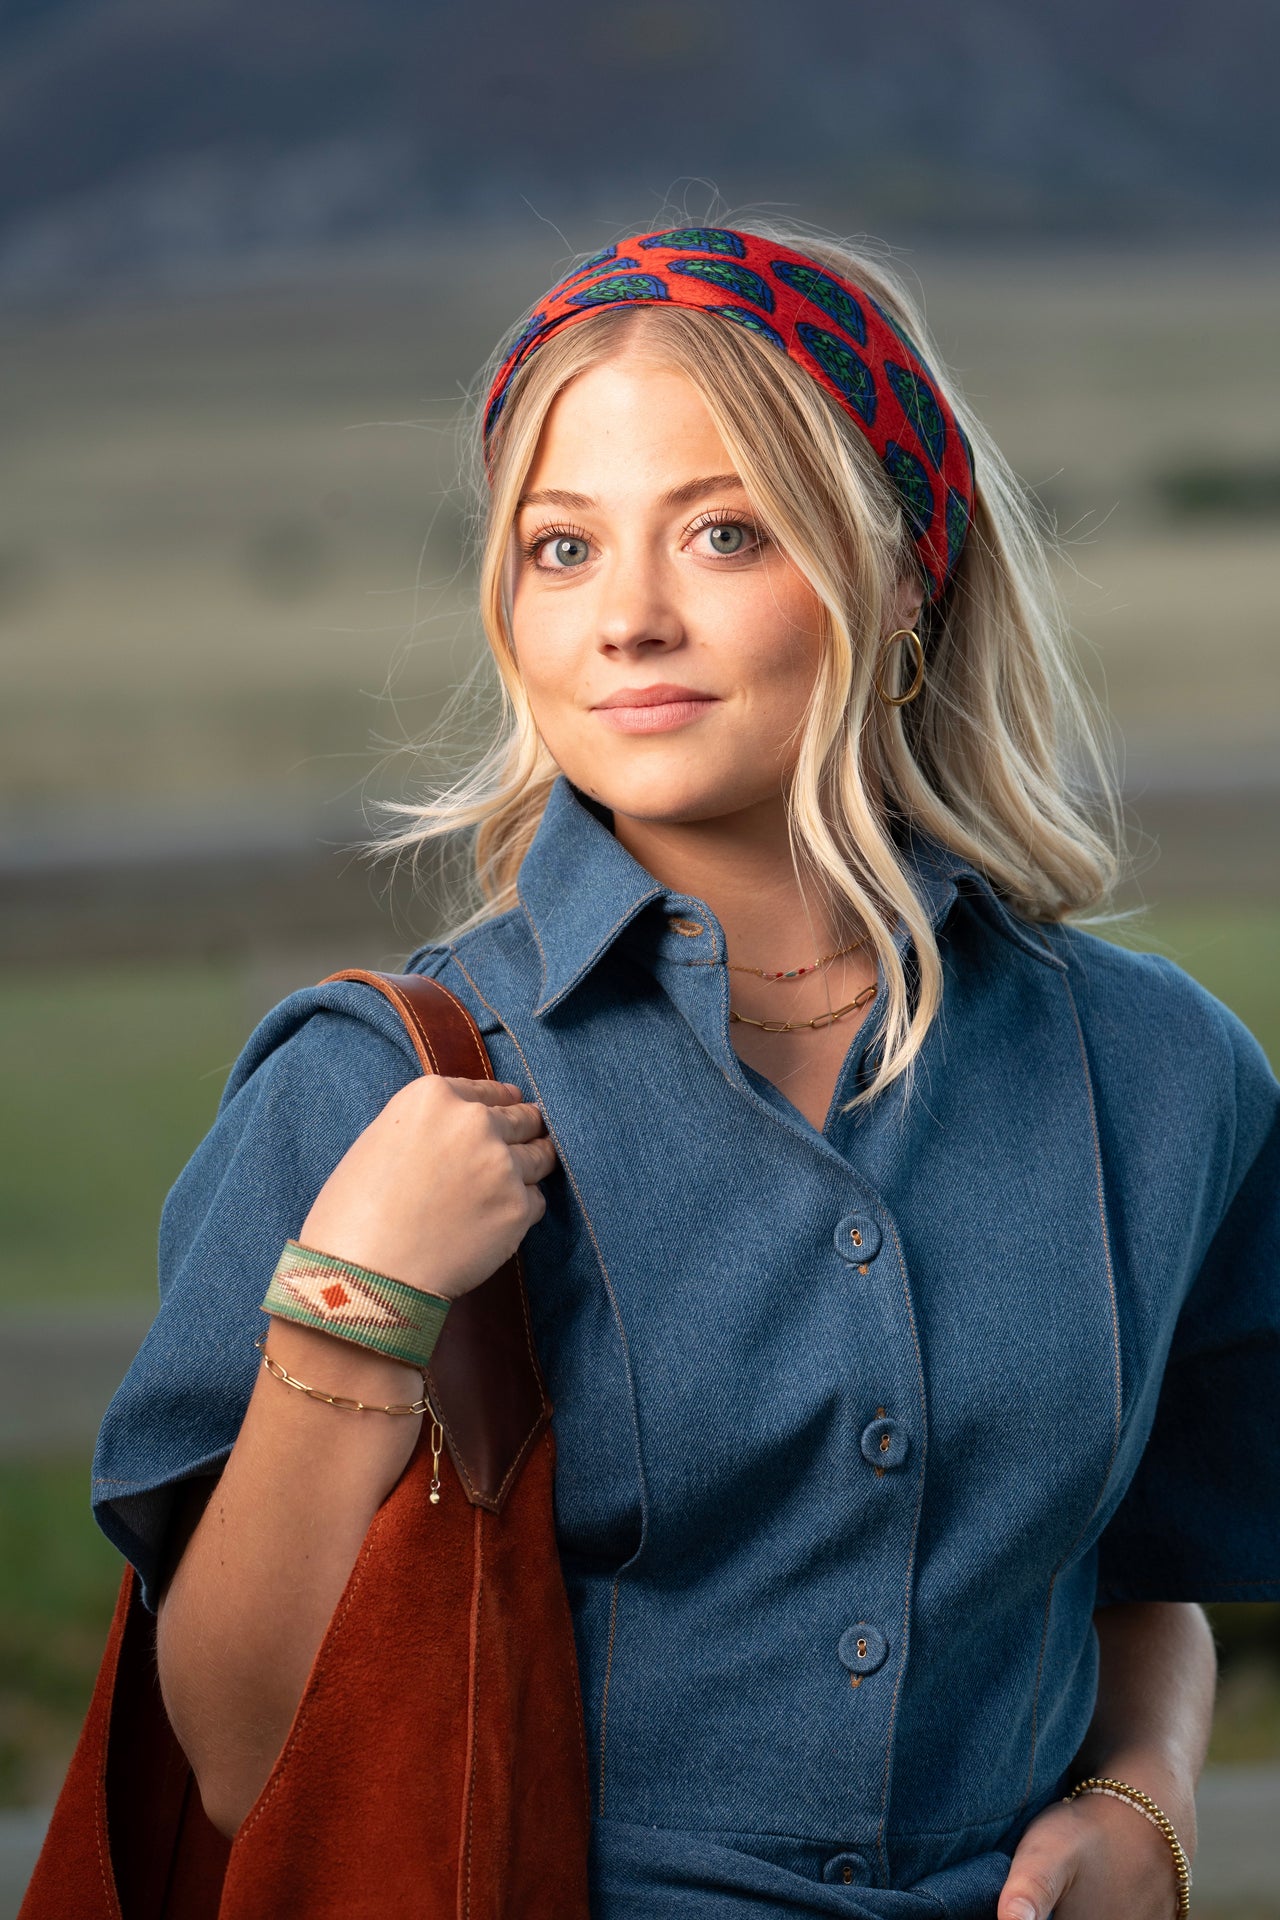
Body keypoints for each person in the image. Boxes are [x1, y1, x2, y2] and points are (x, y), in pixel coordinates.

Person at [92, 220, 1278, 1920]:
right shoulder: (371, 1086)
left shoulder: (1162, 1078)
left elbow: (1134, 1563)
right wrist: (349, 1300)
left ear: (899, 574)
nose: (630, 619)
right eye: (561, 548)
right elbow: (227, 1748)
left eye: (724, 533)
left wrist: (1142, 1794)